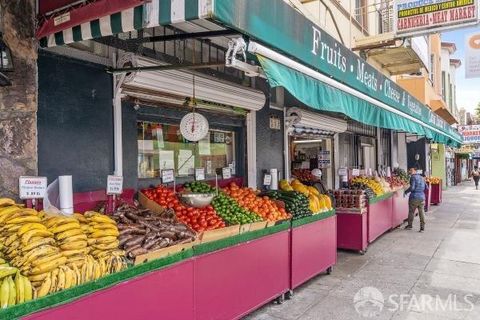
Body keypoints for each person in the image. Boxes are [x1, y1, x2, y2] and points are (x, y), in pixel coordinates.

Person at [404, 167, 428, 232]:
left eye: (411, 170)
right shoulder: (422, 177)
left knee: (411, 212)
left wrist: (406, 191)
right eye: (409, 170)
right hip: (422, 197)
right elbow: (426, 187)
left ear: (415, 171)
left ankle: (410, 225)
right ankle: (422, 228)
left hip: (414, 197)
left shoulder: (413, 177)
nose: (410, 171)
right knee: (422, 212)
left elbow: (412, 188)